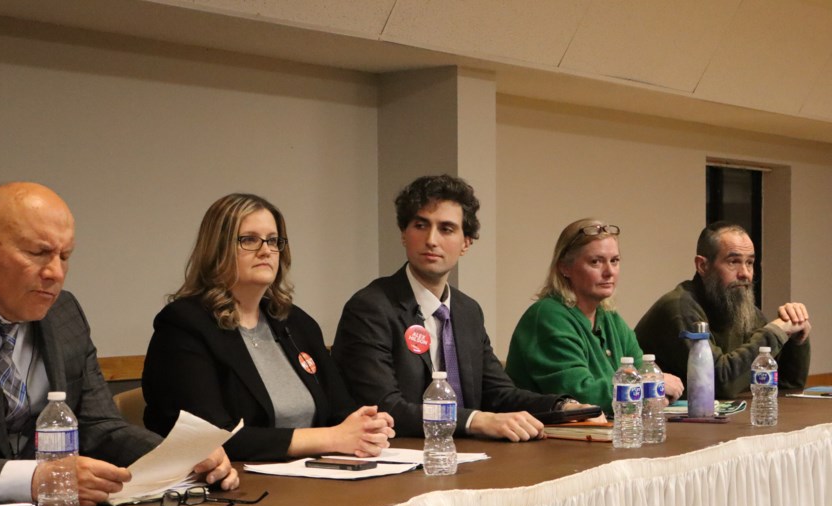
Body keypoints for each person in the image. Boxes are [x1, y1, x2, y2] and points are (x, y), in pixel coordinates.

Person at [0, 182, 237, 506]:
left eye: (64, 256)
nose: (55, 273)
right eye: (37, 253)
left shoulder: (63, 313)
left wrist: (179, 457)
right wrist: (36, 480)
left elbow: (98, 425)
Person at [332, 175, 593, 441]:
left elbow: (499, 393)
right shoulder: (370, 308)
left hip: (466, 457)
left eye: (446, 229)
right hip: (400, 456)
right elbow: (384, 408)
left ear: (466, 242)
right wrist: (474, 420)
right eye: (420, 225)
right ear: (403, 234)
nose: (431, 240)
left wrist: (562, 407)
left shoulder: (467, 311)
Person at [142, 193, 394, 461]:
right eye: (249, 240)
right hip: (239, 484)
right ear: (218, 249)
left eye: (273, 241)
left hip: (314, 477)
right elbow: (212, 437)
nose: (266, 250)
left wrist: (366, 427)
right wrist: (331, 437)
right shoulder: (185, 325)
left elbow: (340, 410)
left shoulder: (297, 323)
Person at [505, 219, 683, 410]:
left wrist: (650, 388)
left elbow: (642, 370)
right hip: (551, 434)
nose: (609, 272)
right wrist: (650, 389)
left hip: (607, 430)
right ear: (564, 267)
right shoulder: (548, 316)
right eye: (596, 262)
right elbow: (581, 394)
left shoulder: (608, 316)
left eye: (614, 261)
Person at [635, 221, 811, 398]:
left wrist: (795, 339)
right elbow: (717, 383)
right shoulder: (679, 308)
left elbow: (787, 387)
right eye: (733, 262)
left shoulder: (744, 311)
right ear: (702, 266)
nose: (745, 273)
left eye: (749, 262)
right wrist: (775, 332)